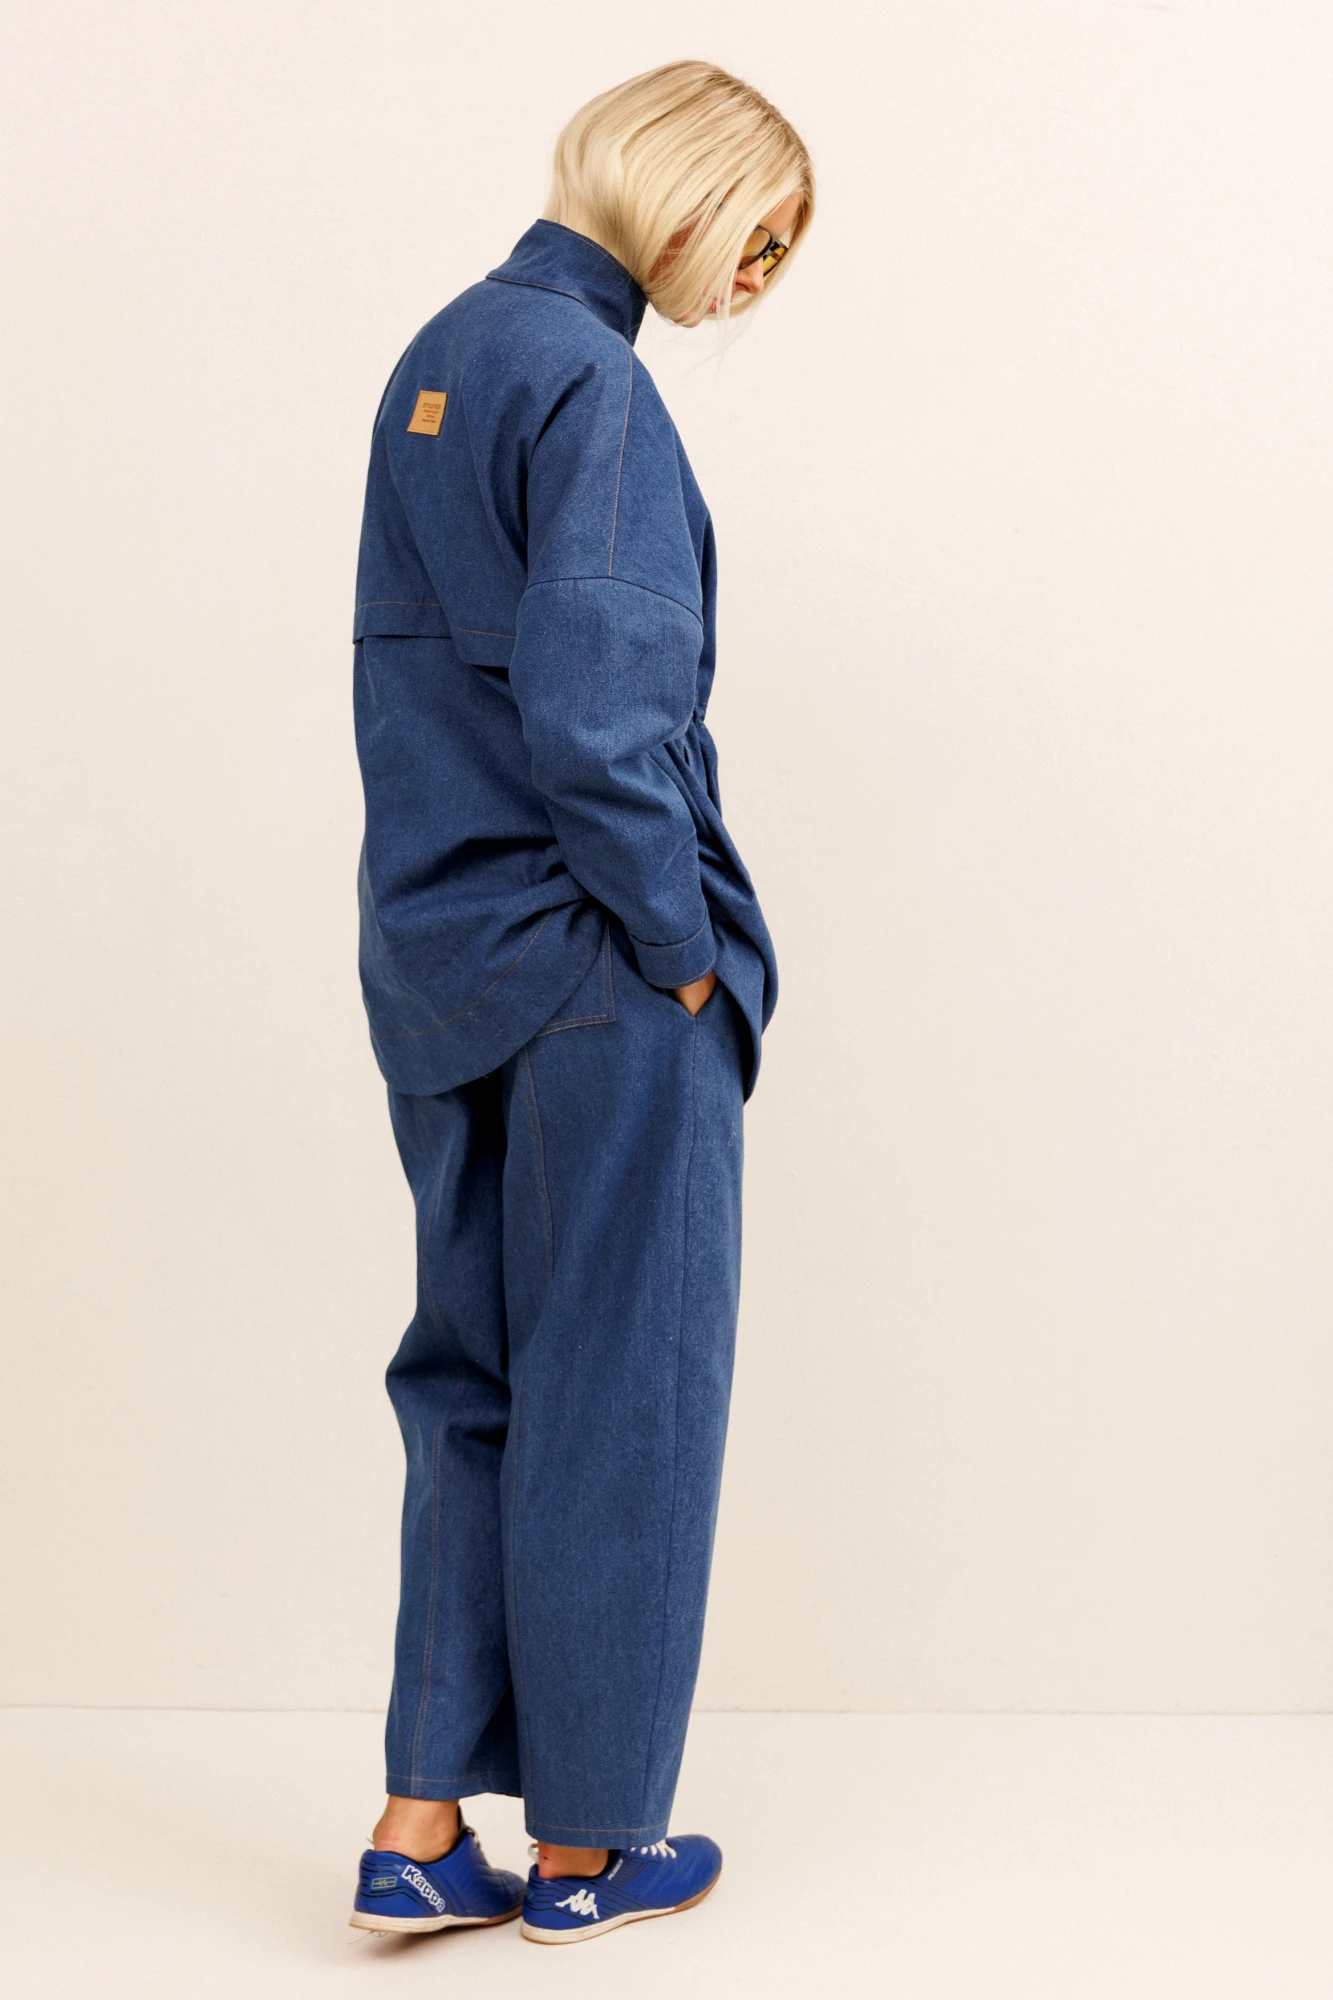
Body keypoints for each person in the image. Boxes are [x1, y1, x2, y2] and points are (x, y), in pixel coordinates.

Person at [346, 59, 814, 1948]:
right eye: (760, 238)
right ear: (686, 195)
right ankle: (590, 1849)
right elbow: (602, 726)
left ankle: (418, 1825)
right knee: (625, 1389)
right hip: (598, 976)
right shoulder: (596, 388)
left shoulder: (443, 356)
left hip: (437, 961)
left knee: (470, 1384)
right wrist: (685, 949)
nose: (756, 284)